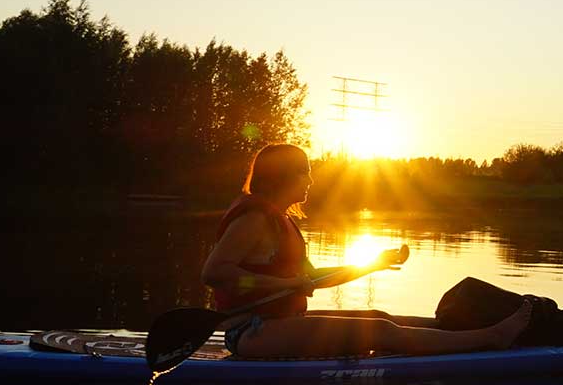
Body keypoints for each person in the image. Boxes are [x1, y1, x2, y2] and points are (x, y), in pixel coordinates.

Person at [202, 143, 530, 358]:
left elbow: (312, 278)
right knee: (379, 332)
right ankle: (491, 339)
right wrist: (282, 285)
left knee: (379, 318)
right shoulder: (255, 219)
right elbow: (215, 273)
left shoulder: (280, 220)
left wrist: (372, 264)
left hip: (279, 323)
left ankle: (469, 332)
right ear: (285, 175)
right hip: (251, 333)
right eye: (306, 172)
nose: (311, 181)